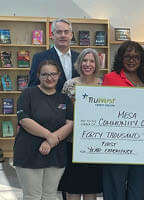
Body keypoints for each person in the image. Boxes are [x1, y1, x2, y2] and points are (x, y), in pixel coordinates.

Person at [14, 60, 73, 200]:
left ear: (59, 75)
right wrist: (49, 136)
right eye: (45, 74)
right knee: (32, 196)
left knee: (50, 195)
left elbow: (70, 124)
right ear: (38, 76)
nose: (49, 78)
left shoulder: (64, 99)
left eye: (53, 74)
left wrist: (52, 141)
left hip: (56, 154)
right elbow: (24, 120)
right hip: (29, 153)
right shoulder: (27, 94)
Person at [102, 40, 144, 200]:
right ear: (121, 58)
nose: (132, 60)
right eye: (128, 56)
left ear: (141, 60)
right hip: (116, 143)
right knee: (114, 187)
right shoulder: (110, 78)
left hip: (140, 143)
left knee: (137, 187)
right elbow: (104, 110)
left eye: (136, 57)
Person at [58, 48, 103, 200]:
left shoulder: (104, 85)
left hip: (94, 144)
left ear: (96, 65)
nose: (87, 64)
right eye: (84, 60)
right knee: (73, 186)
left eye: (91, 61)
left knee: (91, 188)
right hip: (72, 142)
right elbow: (61, 112)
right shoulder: (69, 85)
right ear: (79, 63)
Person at [29, 18, 79, 92]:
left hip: (75, 102)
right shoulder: (39, 58)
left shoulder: (80, 58)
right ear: (52, 35)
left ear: (71, 35)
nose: (63, 35)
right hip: (48, 102)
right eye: (59, 32)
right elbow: (33, 86)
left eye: (66, 32)